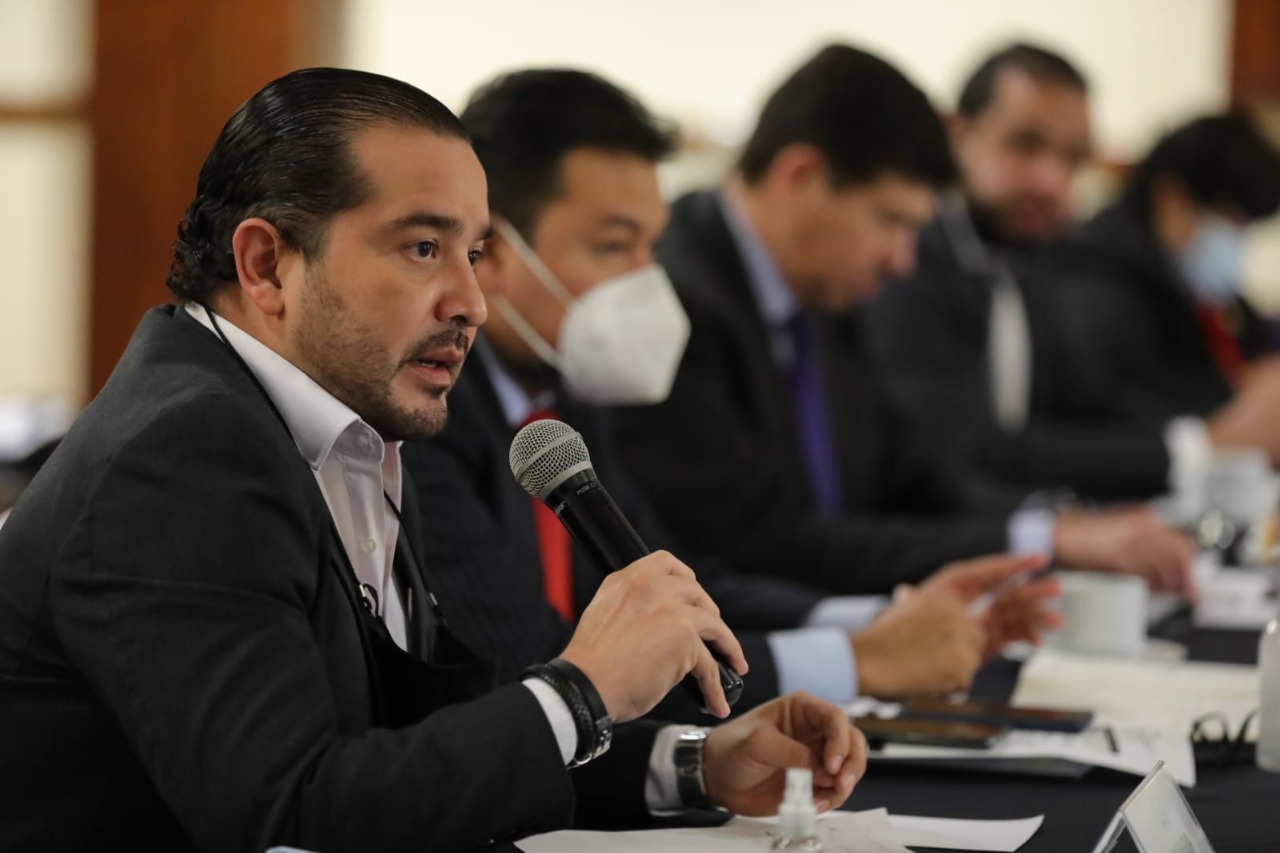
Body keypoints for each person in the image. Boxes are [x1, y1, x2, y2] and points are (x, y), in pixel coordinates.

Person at [0, 68, 866, 853]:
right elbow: (292, 814)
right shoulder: (184, 453)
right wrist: (583, 688)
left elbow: (417, 738)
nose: (473, 302)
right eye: (423, 248)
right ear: (267, 264)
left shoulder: (347, 426)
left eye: (475, 252)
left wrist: (697, 761)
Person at [400, 69, 1059, 714]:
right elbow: (539, 673)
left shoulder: (563, 405)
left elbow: (674, 586)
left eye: (652, 247)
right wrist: (861, 659)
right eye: (614, 246)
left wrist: (885, 620)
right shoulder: (425, 420)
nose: (648, 284)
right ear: (492, 252)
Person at [609, 44, 1195, 596]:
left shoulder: (822, 291)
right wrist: (1044, 543)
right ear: (800, 178)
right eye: (891, 220)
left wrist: (1054, 527)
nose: (902, 260)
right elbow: (768, 543)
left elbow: (913, 474)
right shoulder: (674, 303)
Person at [864, 44, 1118, 496]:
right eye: (1025, 144)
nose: (1051, 182)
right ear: (958, 134)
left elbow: (1089, 411)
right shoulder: (903, 257)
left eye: (1072, 158)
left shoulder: (1045, 255)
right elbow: (962, 449)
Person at [1039, 114, 1280, 484]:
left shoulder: (1192, 283)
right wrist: (1227, 421)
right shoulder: (1094, 284)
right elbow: (1108, 418)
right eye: (1231, 224)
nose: (1236, 245)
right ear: (1172, 198)